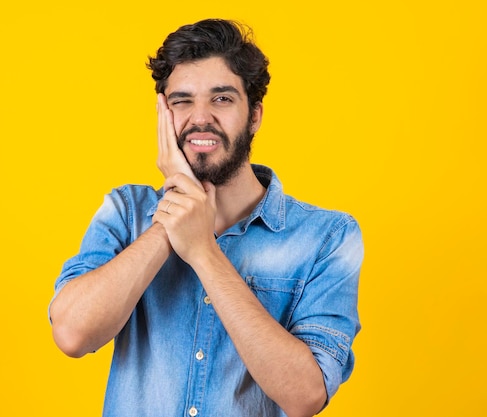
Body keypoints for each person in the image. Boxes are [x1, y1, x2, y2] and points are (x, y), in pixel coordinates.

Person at [49, 18, 363, 417]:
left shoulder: (327, 237)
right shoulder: (126, 212)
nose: (200, 118)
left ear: (254, 116)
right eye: (182, 100)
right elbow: (73, 334)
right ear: (163, 114)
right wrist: (170, 221)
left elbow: (305, 396)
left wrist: (203, 252)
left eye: (222, 99)